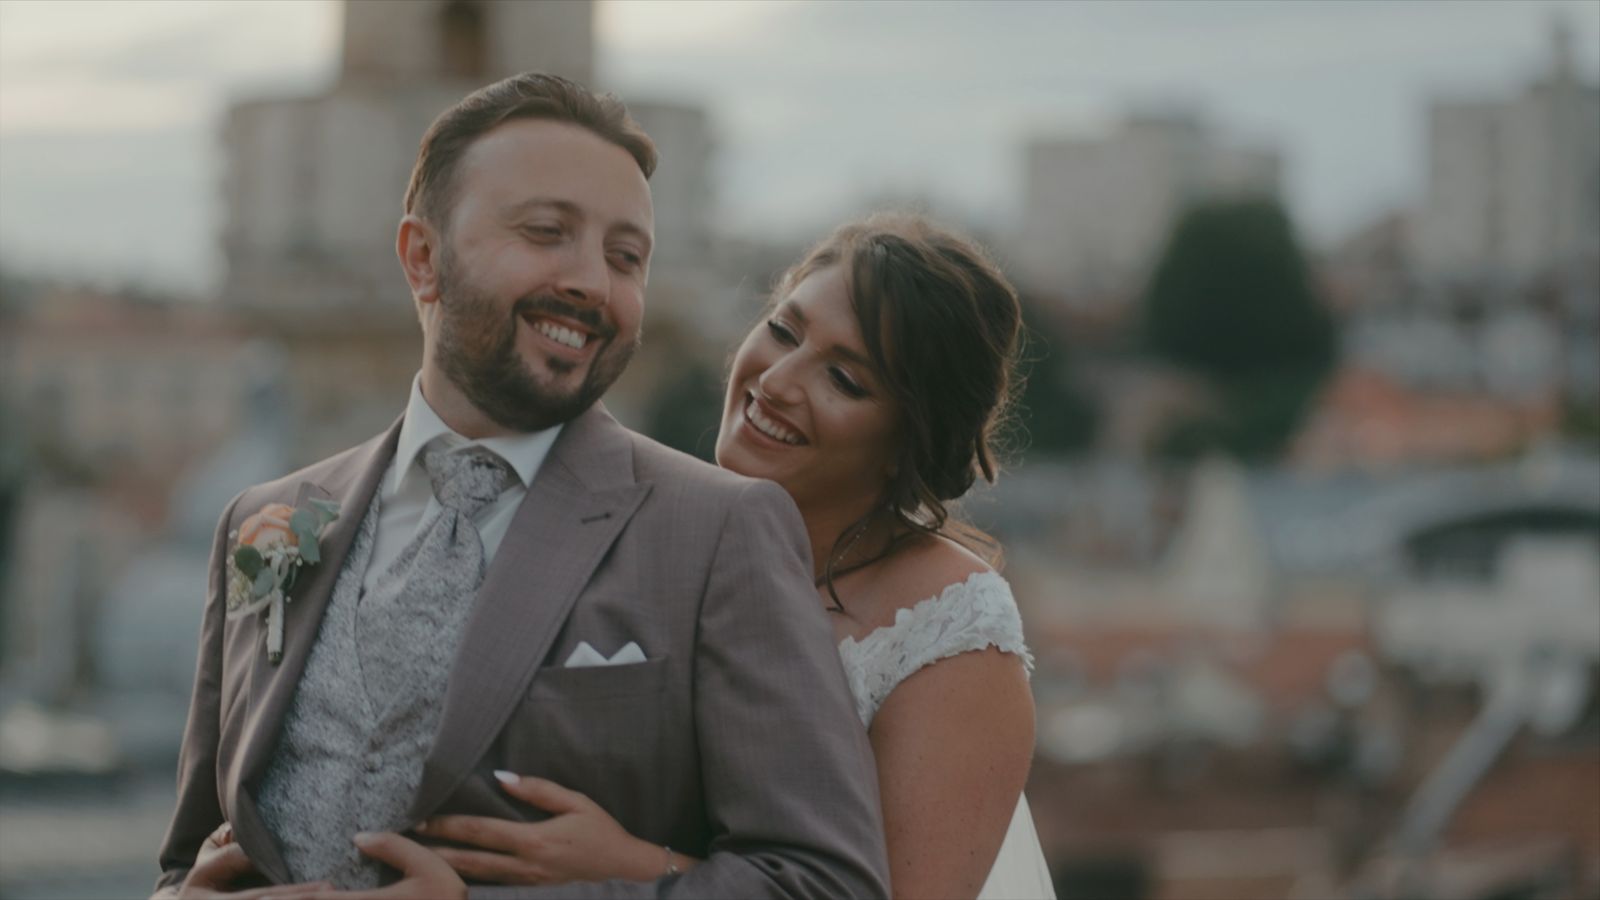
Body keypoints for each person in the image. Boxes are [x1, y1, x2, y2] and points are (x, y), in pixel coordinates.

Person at [153, 73, 890, 900]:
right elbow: (189, 857)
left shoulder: (723, 531)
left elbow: (826, 885)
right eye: (547, 233)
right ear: (422, 258)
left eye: (626, 257)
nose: (592, 281)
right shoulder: (265, 522)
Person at [412, 214, 1056, 899]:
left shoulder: (949, 626)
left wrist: (628, 862)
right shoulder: (652, 529)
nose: (777, 380)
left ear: (910, 436)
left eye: (844, 378)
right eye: (783, 331)